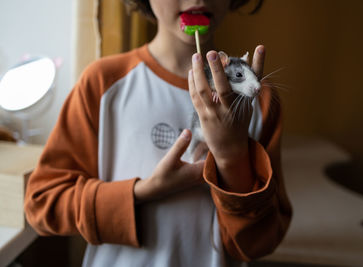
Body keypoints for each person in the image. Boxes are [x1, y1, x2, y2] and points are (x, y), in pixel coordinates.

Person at [24, 0, 292, 266]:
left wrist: (232, 154)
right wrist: (143, 192)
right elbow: (42, 204)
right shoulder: (103, 83)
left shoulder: (260, 100)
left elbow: (261, 242)